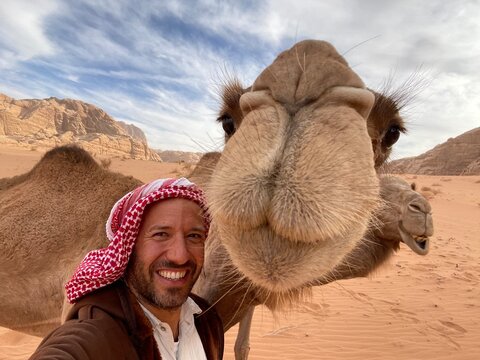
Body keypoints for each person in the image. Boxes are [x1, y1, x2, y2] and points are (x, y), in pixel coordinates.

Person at [29, 178, 224, 360]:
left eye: (194, 236)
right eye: (161, 234)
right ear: (128, 247)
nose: (180, 255)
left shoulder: (208, 321)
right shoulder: (100, 332)